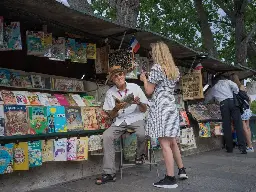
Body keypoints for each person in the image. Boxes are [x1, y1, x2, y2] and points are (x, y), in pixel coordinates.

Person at [140, 41, 188, 189]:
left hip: (161, 107)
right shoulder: (175, 70)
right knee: (172, 141)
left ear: (157, 53)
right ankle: (181, 170)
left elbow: (148, 91)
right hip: (171, 106)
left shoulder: (157, 68)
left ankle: (170, 178)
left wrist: (144, 79)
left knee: (165, 143)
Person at [96, 65, 148, 185]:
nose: (119, 77)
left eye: (120, 74)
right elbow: (111, 116)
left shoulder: (135, 87)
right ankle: (109, 173)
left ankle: (139, 156)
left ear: (124, 75)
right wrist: (116, 108)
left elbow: (144, 109)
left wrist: (139, 102)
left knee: (142, 134)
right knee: (106, 136)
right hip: (120, 120)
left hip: (135, 117)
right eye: (115, 76)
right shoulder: (110, 93)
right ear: (113, 80)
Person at [205, 75, 247, 154]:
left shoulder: (214, 88)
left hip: (223, 105)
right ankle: (242, 148)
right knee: (238, 124)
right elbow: (235, 87)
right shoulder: (227, 82)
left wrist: (204, 102)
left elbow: (207, 98)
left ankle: (229, 148)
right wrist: (235, 92)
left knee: (226, 126)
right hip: (233, 102)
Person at [230, 74, 253, 152]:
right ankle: (250, 145)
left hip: (242, 110)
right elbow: (249, 98)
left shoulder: (235, 88)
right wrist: (248, 107)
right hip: (247, 109)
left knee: (244, 128)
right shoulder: (242, 86)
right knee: (248, 127)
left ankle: (249, 146)